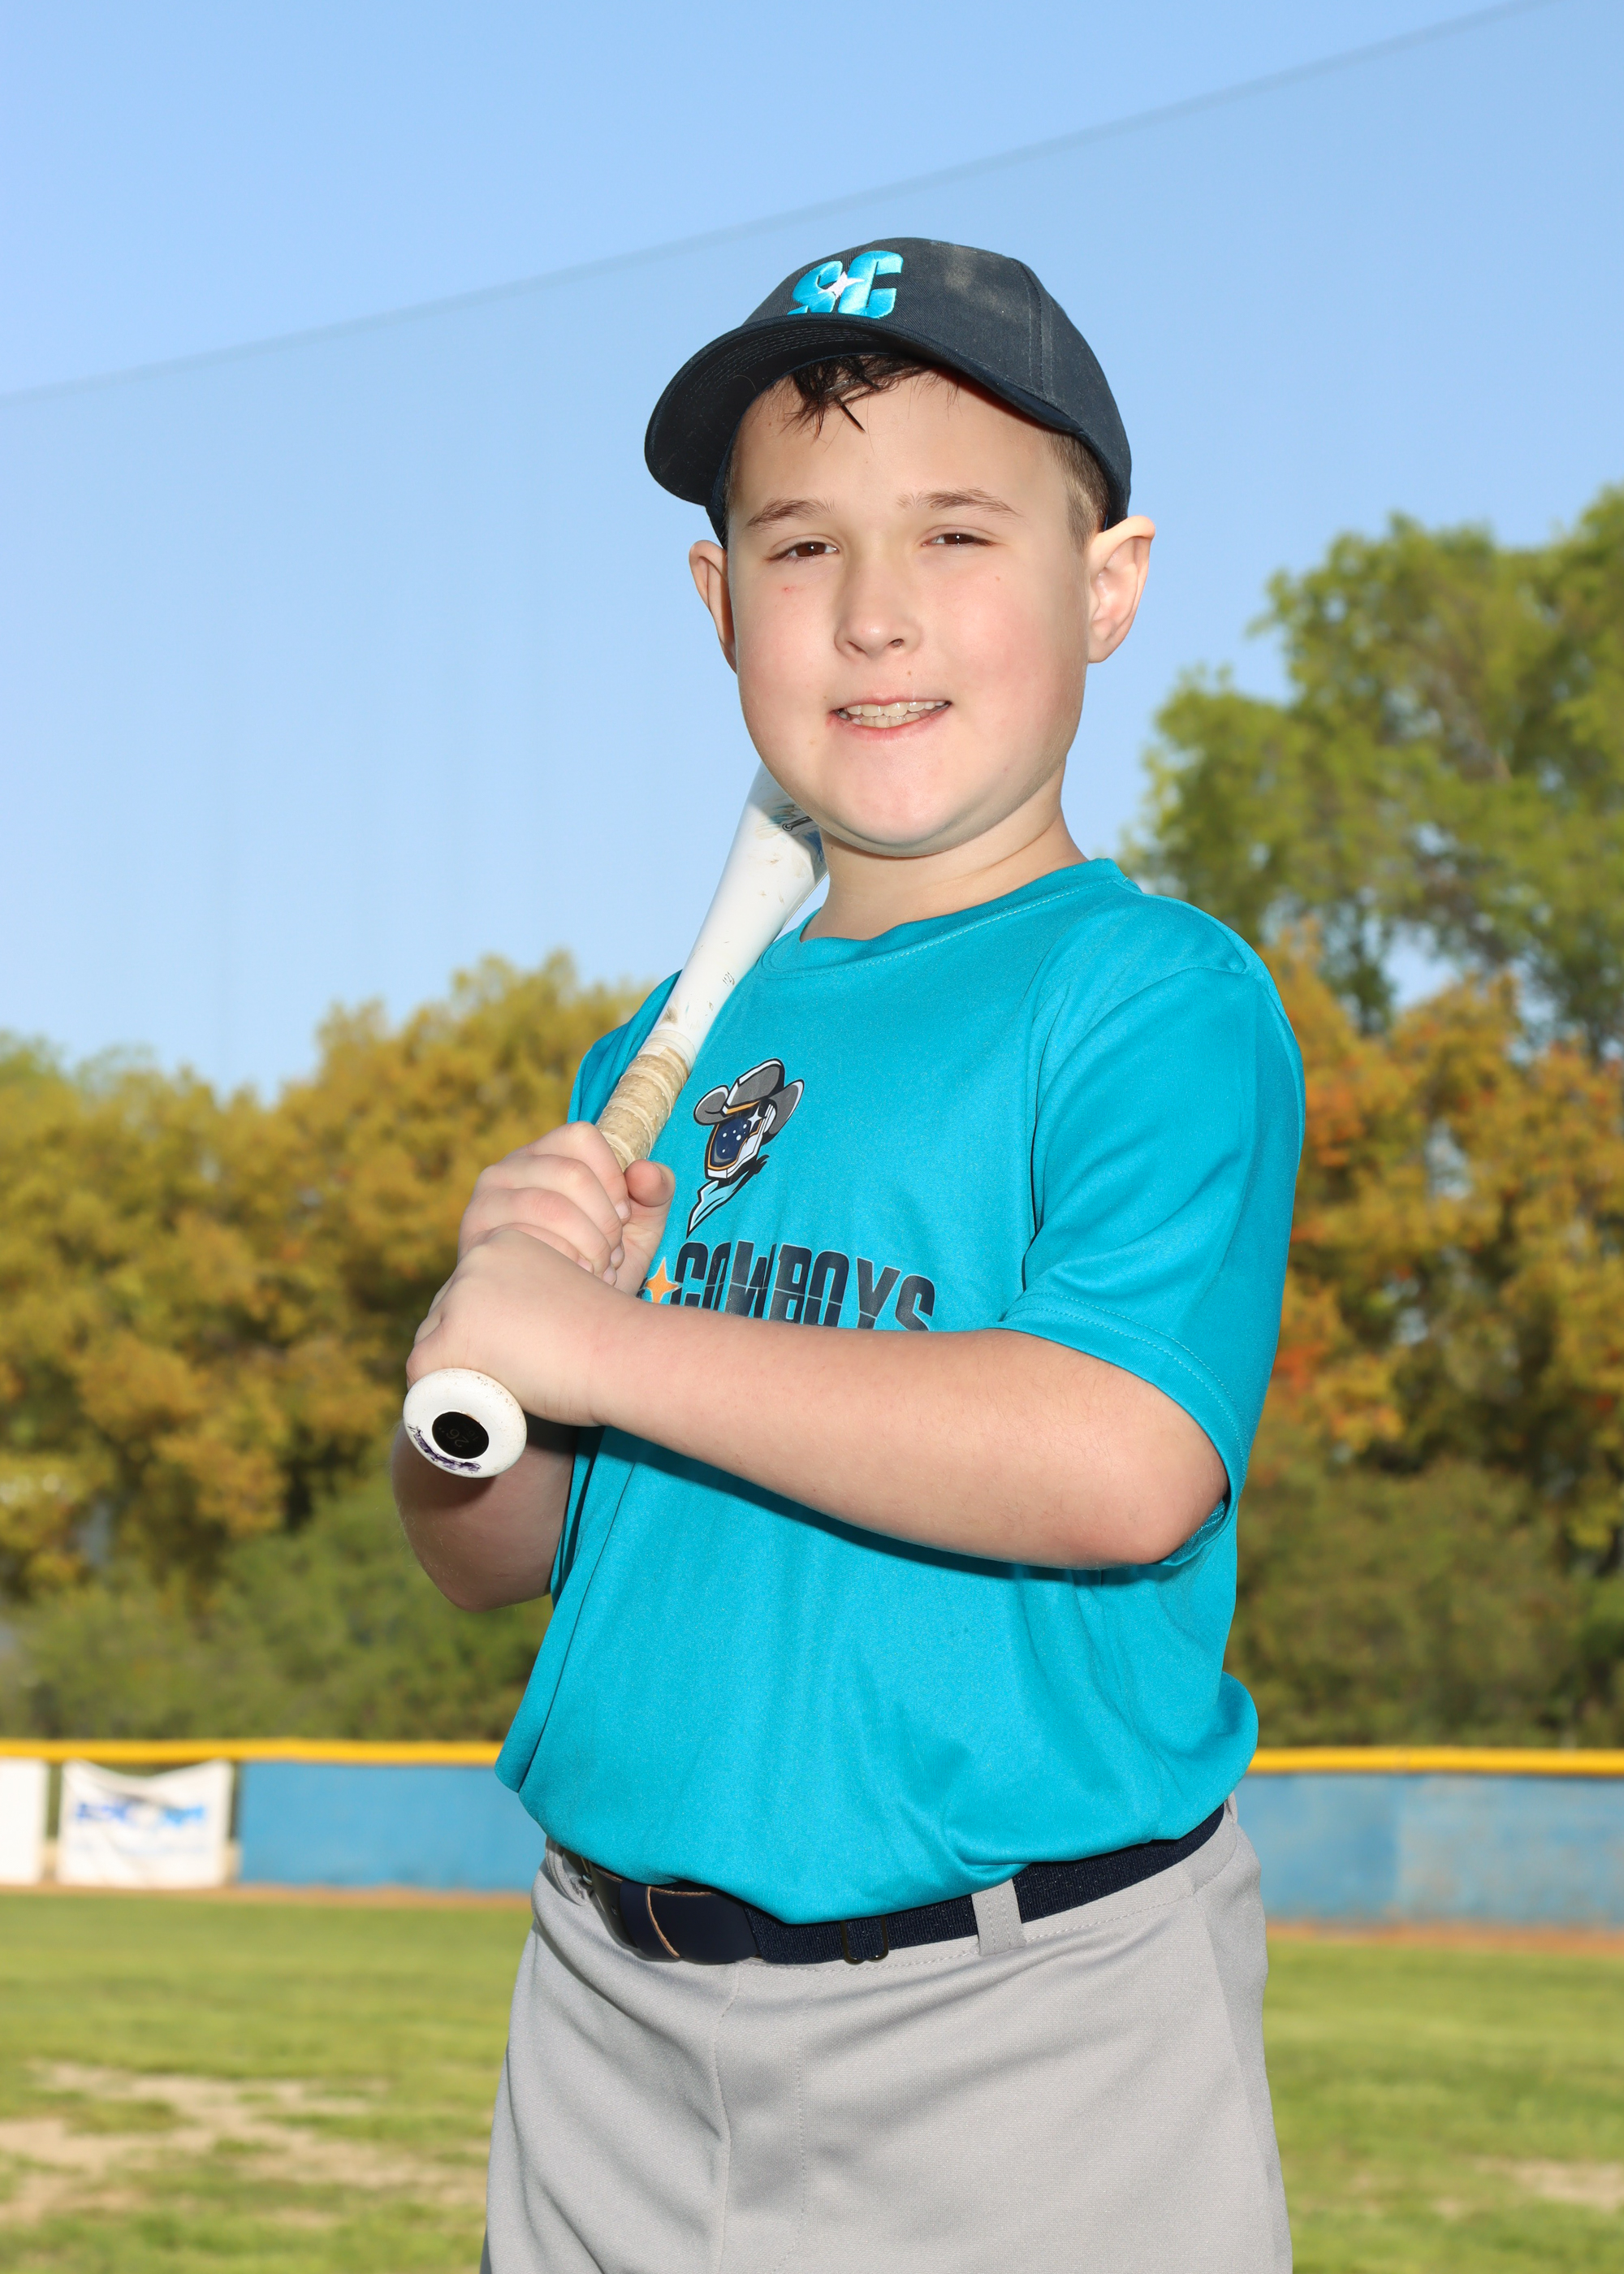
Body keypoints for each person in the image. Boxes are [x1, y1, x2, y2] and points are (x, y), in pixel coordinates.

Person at [394, 237, 1302, 2272]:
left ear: (1108, 584)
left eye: (958, 532)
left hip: (1019, 2032)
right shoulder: (666, 1044)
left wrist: (606, 1350)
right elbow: (493, 1556)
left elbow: (1119, 1458)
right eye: (800, 547)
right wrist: (490, 1356)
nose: (874, 610)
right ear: (719, 604)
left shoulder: (1149, 996)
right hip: (607, 2014)